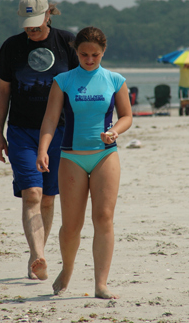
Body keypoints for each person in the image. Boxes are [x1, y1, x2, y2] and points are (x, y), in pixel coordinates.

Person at [36, 26, 132, 299]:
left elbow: (127, 116)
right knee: (72, 225)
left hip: (105, 155)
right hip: (71, 158)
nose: (89, 60)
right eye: (84, 54)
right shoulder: (63, 80)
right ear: (76, 52)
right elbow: (51, 119)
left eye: (95, 55)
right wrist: (43, 149)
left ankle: (100, 284)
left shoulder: (115, 80)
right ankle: (67, 269)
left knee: (103, 218)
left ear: (103, 53)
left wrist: (115, 130)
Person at [0, 0, 78, 280]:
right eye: (28, 23)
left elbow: (83, 85)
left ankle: (35, 251)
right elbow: (3, 91)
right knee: (31, 194)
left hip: (60, 131)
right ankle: (39, 255)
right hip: (21, 132)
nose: (32, 28)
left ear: (48, 15)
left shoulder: (68, 43)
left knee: (49, 198)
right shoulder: (12, 47)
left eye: (37, 23)